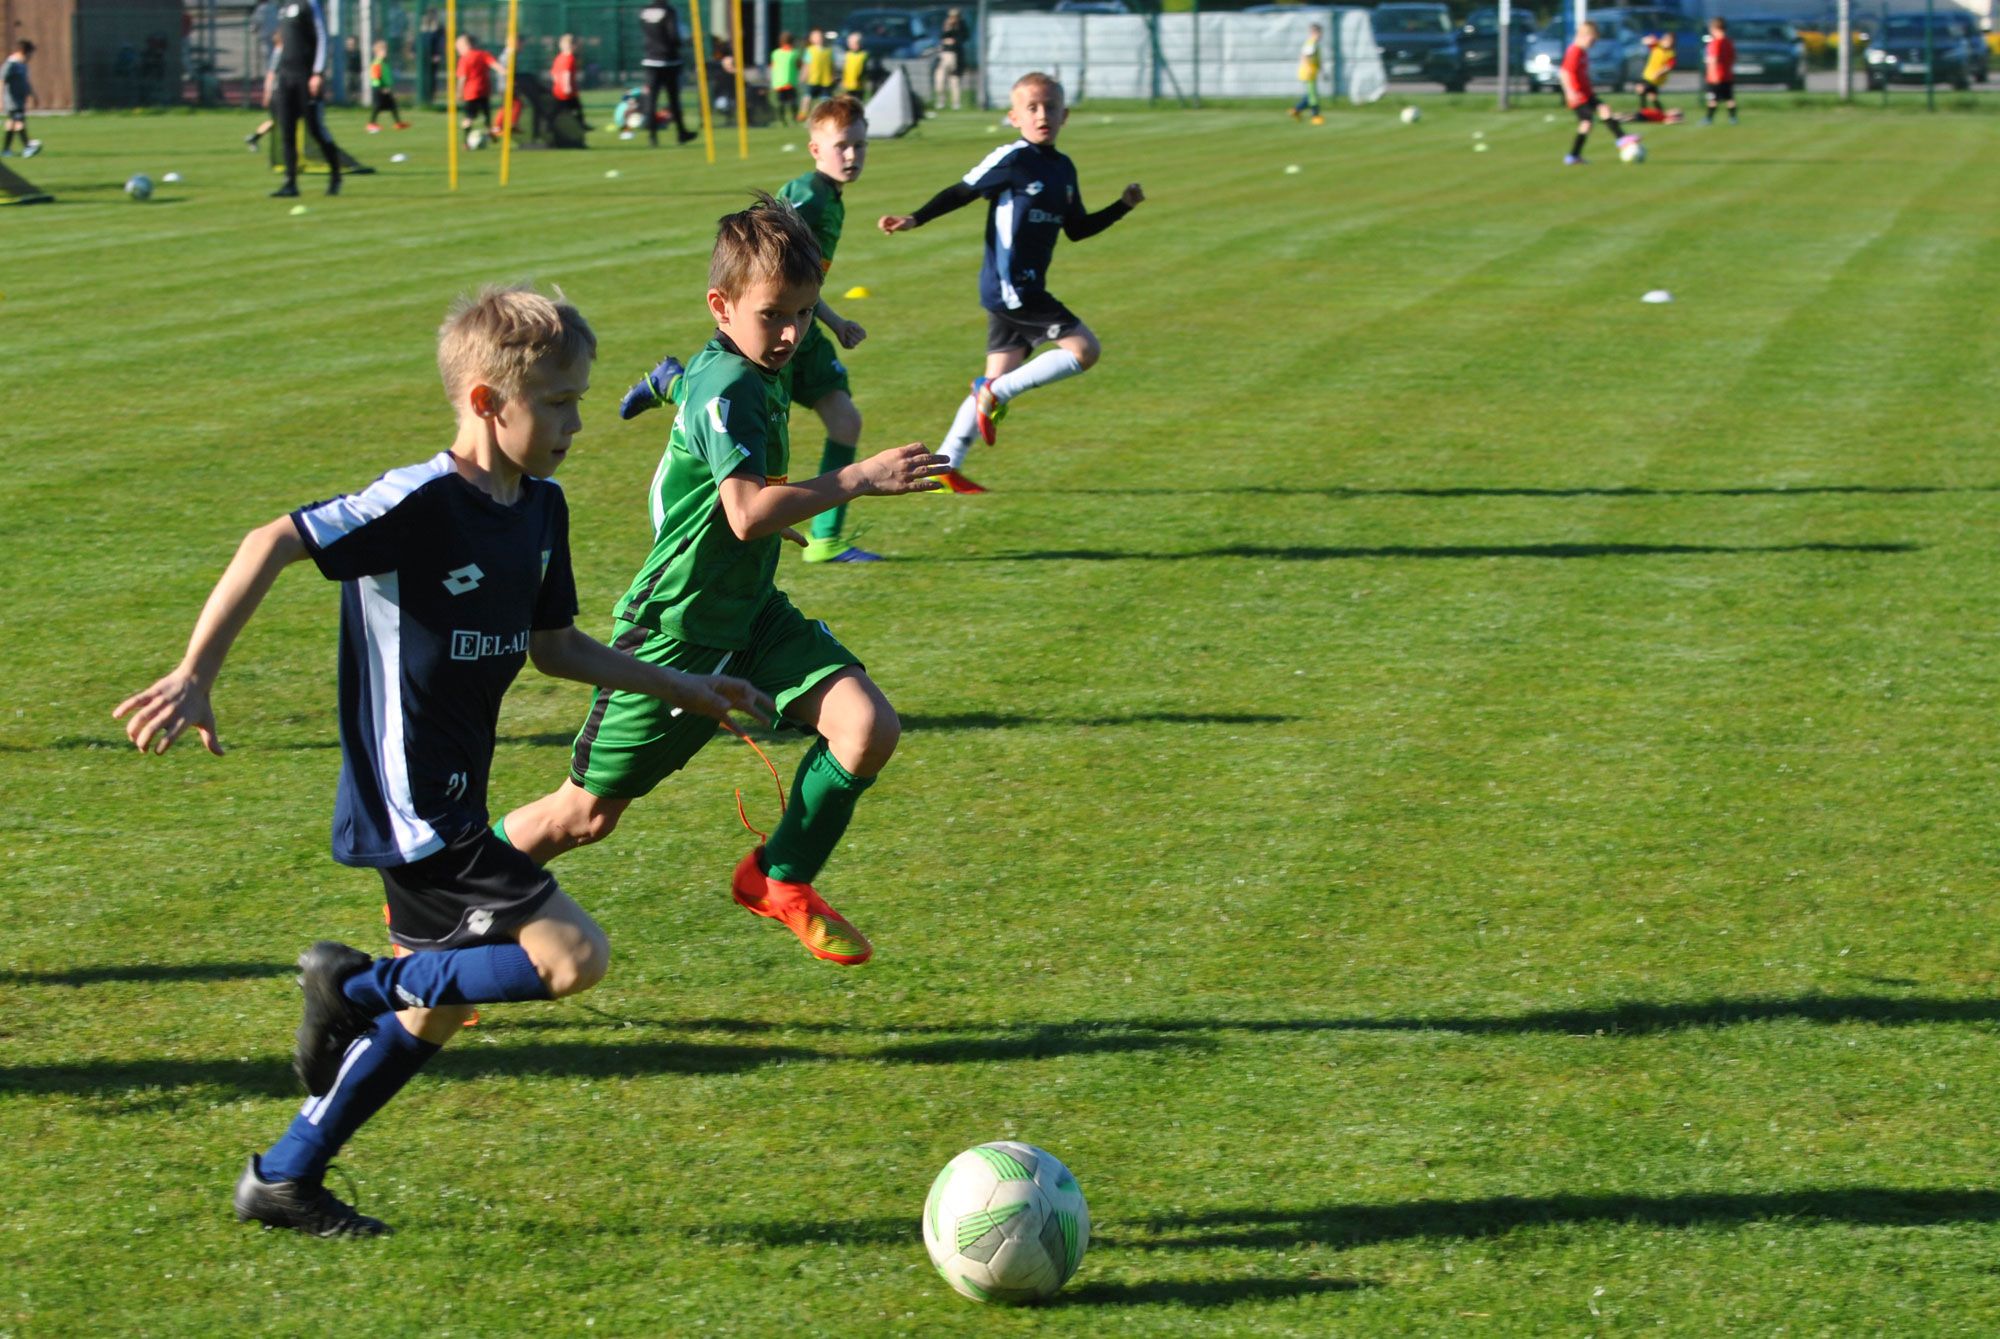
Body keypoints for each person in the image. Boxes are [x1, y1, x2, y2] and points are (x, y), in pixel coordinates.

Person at [113, 286, 773, 1238]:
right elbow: (272, 540)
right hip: (411, 808)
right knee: (571, 957)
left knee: (440, 1007)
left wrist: (689, 687)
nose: (574, 422)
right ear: (483, 401)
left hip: (454, 803)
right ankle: (353, 986)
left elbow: (556, 646)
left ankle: (286, 1174)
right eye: (554, 402)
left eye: (579, 399)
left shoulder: (540, 510)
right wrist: (194, 672)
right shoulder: (417, 502)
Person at [494, 199, 949, 970]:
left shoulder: (745, 367)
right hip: (680, 623)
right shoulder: (731, 387)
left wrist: (780, 507)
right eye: (774, 315)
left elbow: (725, 476)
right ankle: (439, 897)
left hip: (751, 610)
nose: (792, 334)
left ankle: (778, 877)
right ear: (721, 306)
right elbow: (743, 513)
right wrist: (856, 478)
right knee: (584, 817)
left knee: (866, 727)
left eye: (804, 315)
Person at [877, 73, 1143, 493]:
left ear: (1065, 115)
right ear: (1014, 116)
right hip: (1013, 288)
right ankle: (995, 392)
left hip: (1018, 289)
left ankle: (945, 466)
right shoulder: (1012, 158)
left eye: (1050, 107)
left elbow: (1077, 228)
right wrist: (915, 218)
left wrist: (1122, 206)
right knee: (1085, 350)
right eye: (1032, 108)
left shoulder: (1063, 168)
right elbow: (962, 191)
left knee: (996, 373)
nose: (1043, 115)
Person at [773, 96, 878, 563]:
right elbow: (762, 245)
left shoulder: (830, 197)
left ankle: (826, 541)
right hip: (775, 332)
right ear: (816, 149)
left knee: (846, 421)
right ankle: (675, 382)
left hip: (806, 325)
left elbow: (806, 281)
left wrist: (833, 322)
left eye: (860, 145)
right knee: (763, 438)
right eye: (842, 146)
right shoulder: (807, 194)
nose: (852, 156)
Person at [271, 0, 346, 198]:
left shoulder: (310, 4)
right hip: (286, 77)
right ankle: (290, 183)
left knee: (315, 129)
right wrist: (272, 73)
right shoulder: (285, 6)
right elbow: (281, 42)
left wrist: (318, 73)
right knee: (287, 130)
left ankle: (336, 175)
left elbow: (322, 37)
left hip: (306, 76)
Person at [1557, 21, 1639, 166]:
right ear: (1583, 36)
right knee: (1586, 123)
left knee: (1603, 110)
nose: (1594, 43)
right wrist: (1570, 92)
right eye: (1592, 39)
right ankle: (1573, 156)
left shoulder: (1582, 52)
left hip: (1586, 94)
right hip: (1578, 95)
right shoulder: (1574, 51)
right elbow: (1564, 72)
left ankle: (1621, 139)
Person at [639, 2, 697, 145]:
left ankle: (652, 136)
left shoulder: (644, 11)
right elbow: (674, 35)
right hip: (669, 60)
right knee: (674, 100)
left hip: (650, 59)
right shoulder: (669, 11)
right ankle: (681, 132)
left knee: (652, 99)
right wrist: (683, 43)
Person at [456, 33, 502, 136]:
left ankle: (466, 141)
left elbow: (462, 78)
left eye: (459, 47)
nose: (458, 50)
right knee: (486, 115)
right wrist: (505, 72)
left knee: (469, 117)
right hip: (484, 91)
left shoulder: (464, 58)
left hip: (470, 93)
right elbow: (495, 65)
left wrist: (459, 92)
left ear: (467, 45)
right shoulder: (484, 54)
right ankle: (490, 133)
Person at [2, 40, 41, 158]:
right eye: (30, 53)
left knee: (12, 123)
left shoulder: (22, 64)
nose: (31, 57)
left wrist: (33, 95)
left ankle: (6, 150)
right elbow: (2, 80)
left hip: (19, 100)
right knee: (19, 122)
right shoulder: (11, 64)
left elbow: (25, 82)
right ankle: (27, 147)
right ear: (23, 52)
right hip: (12, 100)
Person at [365, 38, 410, 131]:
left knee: (392, 105)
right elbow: (375, 77)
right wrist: (380, 88)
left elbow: (387, 76)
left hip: (386, 88)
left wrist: (389, 87)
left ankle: (398, 123)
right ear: (377, 52)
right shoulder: (377, 63)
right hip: (379, 89)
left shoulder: (385, 62)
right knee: (378, 106)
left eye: (386, 50)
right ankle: (371, 124)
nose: (385, 52)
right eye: (383, 50)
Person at [246, 33, 280, 149]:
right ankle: (254, 138)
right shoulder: (279, 53)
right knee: (280, 120)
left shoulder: (280, 53)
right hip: (279, 93)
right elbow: (271, 75)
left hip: (281, 93)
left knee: (278, 121)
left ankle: (254, 138)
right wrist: (268, 93)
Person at [1702, 17, 1737, 125]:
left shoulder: (1715, 43)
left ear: (1714, 28)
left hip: (1715, 76)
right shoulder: (1729, 42)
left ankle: (1708, 119)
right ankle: (1733, 118)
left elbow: (1713, 59)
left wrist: (1713, 75)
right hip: (1727, 75)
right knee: (1729, 98)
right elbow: (1733, 58)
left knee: (1712, 99)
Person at [935, 9, 969, 111]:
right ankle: (941, 101)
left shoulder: (962, 27)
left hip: (955, 56)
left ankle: (956, 103)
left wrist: (953, 40)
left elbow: (963, 38)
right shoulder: (946, 25)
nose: (953, 18)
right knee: (940, 80)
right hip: (944, 56)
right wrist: (947, 28)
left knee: (954, 81)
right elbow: (941, 37)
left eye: (955, 16)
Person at [1291, 22, 1323, 124]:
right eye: (1318, 32)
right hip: (1309, 72)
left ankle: (1296, 110)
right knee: (1313, 96)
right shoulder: (1311, 43)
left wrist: (1321, 70)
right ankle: (1315, 117)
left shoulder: (1313, 43)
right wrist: (1308, 68)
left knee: (1310, 95)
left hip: (1311, 71)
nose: (1320, 35)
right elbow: (1306, 56)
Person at [1636, 30, 1674, 115]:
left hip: (1656, 78)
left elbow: (1668, 67)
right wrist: (1649, 40)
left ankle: (1643, 110)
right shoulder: (1657, 45)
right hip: (1648, 75)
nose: (1667, 42)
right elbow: (1644, 41)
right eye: (1666, 39)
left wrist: (1658, 73)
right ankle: (1660, 112)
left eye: (1669, 41)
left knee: (1641, 89)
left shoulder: (1670, 53)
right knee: (1652, 96)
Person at [801, 29, 834, 121]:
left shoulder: (828, 51)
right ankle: (804, 115)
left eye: (820, 36)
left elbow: (831, 65)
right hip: (813, 79)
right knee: (807, 98)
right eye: (816, 37)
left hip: (825, 80)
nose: (819, 38)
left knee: (825, 100)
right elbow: (806, 65)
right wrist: (803, 76)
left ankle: (825, 117)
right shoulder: (809, 51)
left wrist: (832, 75)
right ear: (812, 39)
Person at [551, 32, 583, 123]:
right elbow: (566, 72)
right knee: (573, 107)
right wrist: (567, 86)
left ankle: (580, 122)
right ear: (572, 46)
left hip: (557, 89)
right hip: (566, 90)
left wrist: (557, 84)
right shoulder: (570, 58)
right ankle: (579, 123)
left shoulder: (559, 57)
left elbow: (554, 74)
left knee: (572, 107)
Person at [770, 32, 800, 125]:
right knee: (792, 102)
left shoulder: (775, 53)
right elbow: (799, 65)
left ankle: (782, 120)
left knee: (781, 102)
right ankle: (794, 118)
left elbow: (772, 66)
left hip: (779, 82)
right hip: (790, 81)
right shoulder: (794, 53)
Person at [840, 31, 870, 99]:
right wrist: (843, 80)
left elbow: (865, 69)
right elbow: (845, 68)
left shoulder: (864, 55)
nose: (852, 45)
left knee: (858, 101)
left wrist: (862, 78)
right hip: (848, 84)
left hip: (859, 85)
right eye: (851, 43)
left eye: (855, 43)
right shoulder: (848, 55)